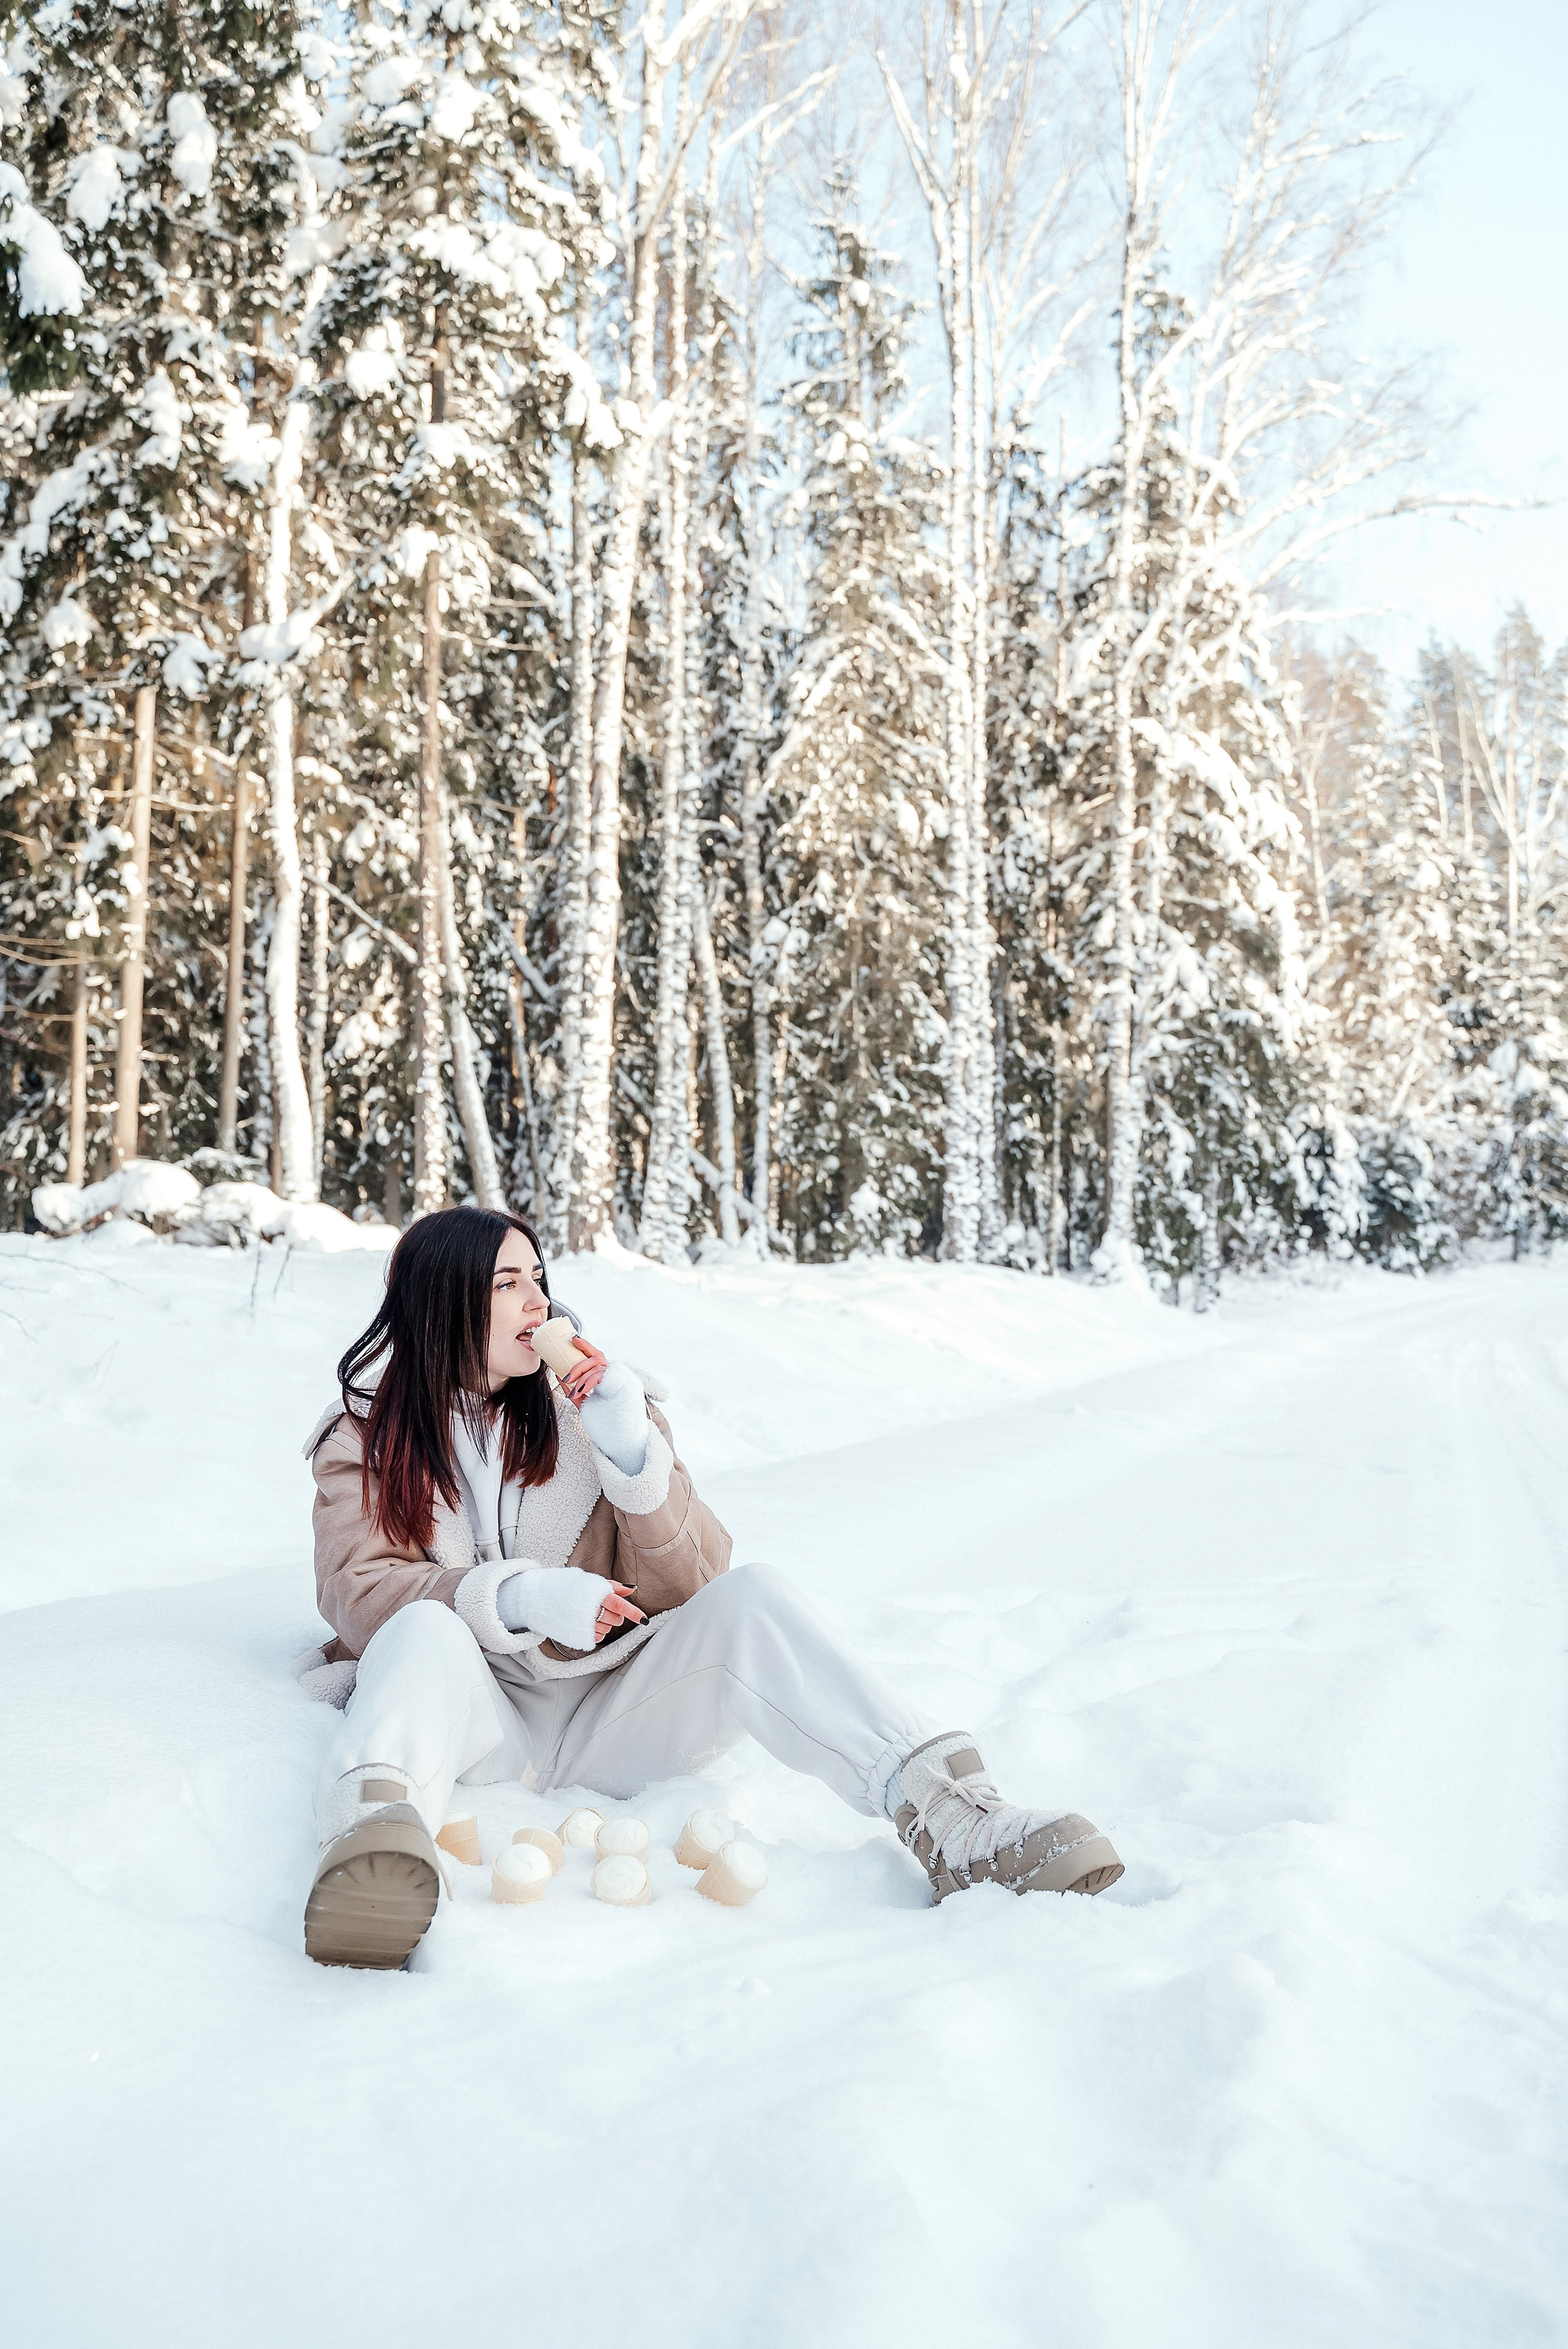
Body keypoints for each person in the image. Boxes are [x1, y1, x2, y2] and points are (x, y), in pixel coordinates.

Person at [298, 1205, 1123, 1968]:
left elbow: (698, 1582)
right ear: (439, 1302)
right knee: (419, 1629)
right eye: (506, 1283)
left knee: (754, 1596)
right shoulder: (362, 1440)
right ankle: (374, 1844)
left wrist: (632, 1454)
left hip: (615, 1716)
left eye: (539, 1277)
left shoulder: (594, 1408)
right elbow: (359, 1594)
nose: (537, 1300)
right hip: (477, 1724)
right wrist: (518, 1598)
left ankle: (953, 1817)